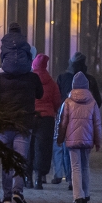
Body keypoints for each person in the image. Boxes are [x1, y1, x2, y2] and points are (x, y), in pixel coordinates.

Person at [0, 33, 42, 203]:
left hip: (4, 124)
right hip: (24, 124)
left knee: (7, 160)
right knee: (21, 159)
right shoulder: (32, 78)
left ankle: (6, 196)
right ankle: (18, 192)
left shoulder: (0, 79)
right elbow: (40, 94)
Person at [58, 72, 102, 203]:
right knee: (85, 166)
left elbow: (62, 122)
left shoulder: (67, 102)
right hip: (87, 139)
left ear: (73, 85)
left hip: (72, 140)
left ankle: (78, 196)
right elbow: (97, 124)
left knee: (75, 167)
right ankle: (86, 193)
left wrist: (60, 139)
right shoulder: (93, 102)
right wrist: (98, 141)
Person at [30, 53, 60, 188]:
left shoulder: (29, 79)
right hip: (47, 118)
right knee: (43, 148)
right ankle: (39, 177)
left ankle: (27, 177)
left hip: (31, 115)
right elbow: (57, 101)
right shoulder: (52, 82)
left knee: (29, 146)